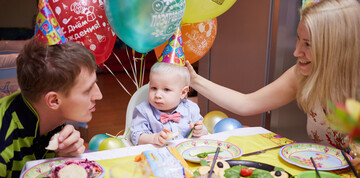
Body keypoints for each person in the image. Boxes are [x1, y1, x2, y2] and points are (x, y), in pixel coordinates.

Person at [186, 0, 360, 153]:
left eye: (308, 44)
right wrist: (194, 79)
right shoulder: (302, 75)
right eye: (298, 39)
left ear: (338, 48)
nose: (296, 51)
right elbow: (246, 103)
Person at [0, 37, 103, 178]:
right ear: (54, 100)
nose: (98, 95)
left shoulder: (49, 115)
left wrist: (60, 156)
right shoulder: (4, 146)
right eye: (88, 89)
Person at [131, 62, 207, 146]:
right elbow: (136, 136)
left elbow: (204, 131)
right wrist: (154, 138)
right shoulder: (144, 111)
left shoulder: (191, 109)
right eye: (154, 88)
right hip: (157, 155)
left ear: (183, 92)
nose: (157, 95)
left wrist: (199, 131)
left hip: (185, 152)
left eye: (166, 89)